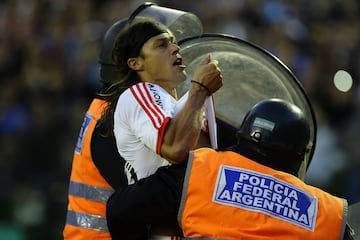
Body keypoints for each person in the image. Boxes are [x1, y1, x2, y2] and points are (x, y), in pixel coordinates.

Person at [106, 98, 355, 240]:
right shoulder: (329, 213)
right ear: (299, 156)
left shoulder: (201, 170)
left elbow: (120, 209)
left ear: (242, 135)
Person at [102, 16, 222, 184]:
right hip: (161, 209)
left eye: (173, 42)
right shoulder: (138, 93)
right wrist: (200, 88)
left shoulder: (182, 105)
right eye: (161, 45)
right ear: (136, 63)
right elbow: (176, 149)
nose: (175, 48)